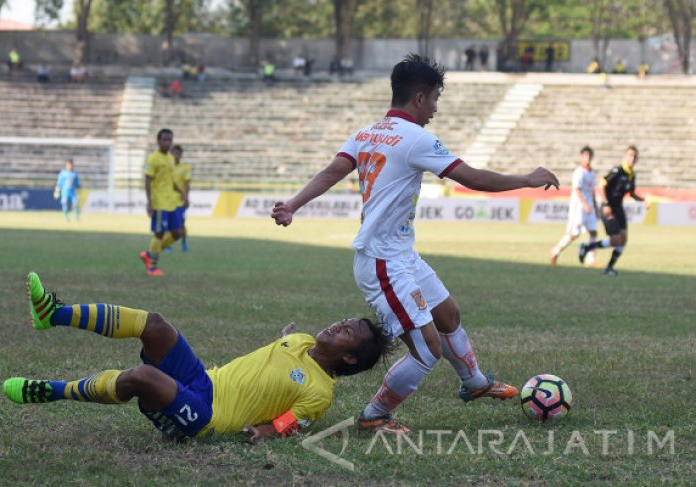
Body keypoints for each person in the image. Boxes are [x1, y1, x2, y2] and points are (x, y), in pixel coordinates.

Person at [271, 54, 560, 433]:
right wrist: (527, 178)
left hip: (401, 255)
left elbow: (331, 172)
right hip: (382, 262)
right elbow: (472, 178)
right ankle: (374, 415)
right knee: (427, 350)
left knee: (448, 315)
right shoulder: (415, 138)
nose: (435, 110)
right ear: (420, 97)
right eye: (436, 99)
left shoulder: (366, 133)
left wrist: (292, 204)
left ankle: (473, 382)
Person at [4, 273, 390, 442]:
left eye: (346, 332)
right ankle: (52, 313)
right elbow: (283, 355)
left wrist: (267, 431)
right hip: (203, 381)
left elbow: (292, 419)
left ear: (351, 359)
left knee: (143, 377)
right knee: (155, 325)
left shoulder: (321, 393)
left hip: (205, 418)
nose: (336, 326)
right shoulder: (302, 340)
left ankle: (49, 391)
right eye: (342, 322)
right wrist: (286, 338)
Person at [579, 146, 648, 276]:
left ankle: (609, 268)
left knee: (624, 239)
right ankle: (588, 247)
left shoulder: (631, 175)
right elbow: (601, 185)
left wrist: (643, 200)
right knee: (616, 239)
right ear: (625, 156)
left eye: (634, 156)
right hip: (609, 207)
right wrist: (606, 204)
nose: (632, 158)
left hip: (619, 208)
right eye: (630, 155)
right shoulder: (618, 171)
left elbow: (631, 193)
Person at [139, 129, 184, 276]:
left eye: (169, 140)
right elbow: (147, 181)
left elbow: (172, 180)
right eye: (164, 140)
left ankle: (149, 254)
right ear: (158, 141)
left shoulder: (171, 159)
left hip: (172, 202)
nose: (167, 143)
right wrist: (149, 202)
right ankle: (152, 267)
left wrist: (182, 193)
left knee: (177, 233)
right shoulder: (153, 159)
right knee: (159, 233)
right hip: (159, 203)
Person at [550, 146, 598, 266]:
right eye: (585, 155)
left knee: (593, 232)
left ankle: (590, 260)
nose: (587, 158)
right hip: (579, 208)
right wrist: (584, 204)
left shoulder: (592, 173)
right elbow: (577, 190)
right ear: (582, 156)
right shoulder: (579, 172)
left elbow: (592, 191)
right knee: (574, 234)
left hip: (589, 207)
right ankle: (555, 251)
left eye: (589, 155)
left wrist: (595, 206)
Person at [171, 144, 191, 253]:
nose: (176, 155)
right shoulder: (167, 168)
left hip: (180, 200)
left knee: (181, 224)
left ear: (181, 155)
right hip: (168, 200)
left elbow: (187, 184)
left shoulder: (185, 168)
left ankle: (183, 242)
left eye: (178, 153)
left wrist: (186, 198)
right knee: (168, 224)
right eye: (174, 153)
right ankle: (169, 244)